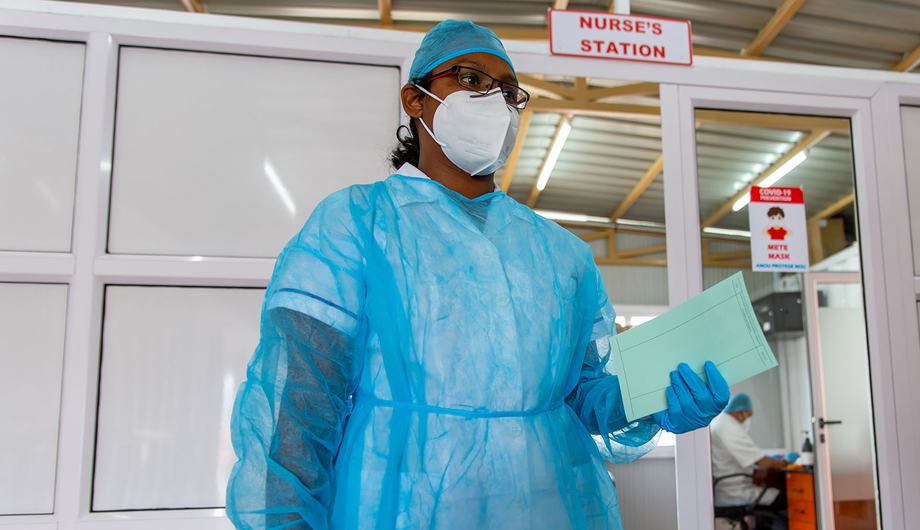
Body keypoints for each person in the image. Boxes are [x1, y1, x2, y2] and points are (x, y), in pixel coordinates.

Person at [225, 20, 729, 530]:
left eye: (508, 92)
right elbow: (298, 407)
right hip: (399, 509)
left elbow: (584, 394)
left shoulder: (561, 255)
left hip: (554, 507)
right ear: (415, 99)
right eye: (470, 80)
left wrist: (656, 399)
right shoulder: (356, 225)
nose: (494, 101)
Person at [711, 394, 789, 510]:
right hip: (734, 493)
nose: (747, 420)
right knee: (787, 500)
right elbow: (761, 461)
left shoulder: (720, 423)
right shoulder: (730, 428)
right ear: (740, 412)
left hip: (726, 488)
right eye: (748, 416)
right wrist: (783, 462)